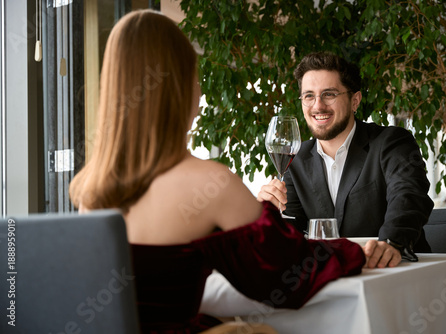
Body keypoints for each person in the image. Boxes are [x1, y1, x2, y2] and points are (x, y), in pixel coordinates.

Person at [69, 10, 365, 333]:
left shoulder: (91, 191)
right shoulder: (209, 183)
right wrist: (355, 251)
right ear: (181, 89)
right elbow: (287, 276)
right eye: (195, 77)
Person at [258, 52, 434, 268]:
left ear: (355, 100)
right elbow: (292, 233)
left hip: (397, 274)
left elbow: (408, 196)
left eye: (329, 94)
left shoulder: (391, 142)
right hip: (331, 279)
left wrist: (391, 243)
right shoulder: (297, 158)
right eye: (309, 96)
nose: (318, 106)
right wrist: (268, 216)